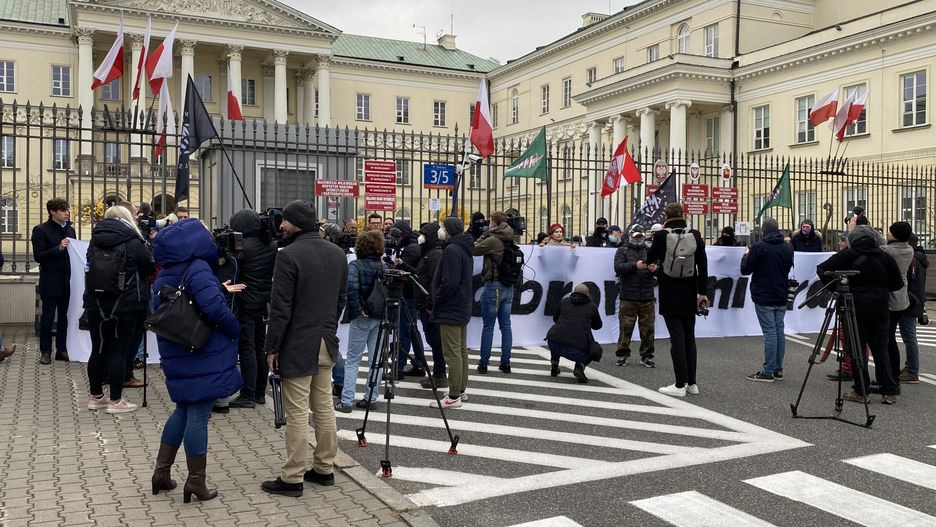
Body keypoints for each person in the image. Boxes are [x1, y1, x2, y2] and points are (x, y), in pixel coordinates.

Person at [149, 218, 242, 503]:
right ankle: (195, 482)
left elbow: (187, 301)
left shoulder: (166, 273)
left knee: (183, 411)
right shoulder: (198, 267)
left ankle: (161, 474)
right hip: (202, 351)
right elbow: (213, 308)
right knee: (199, 415)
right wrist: (234, 328)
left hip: (179, 349)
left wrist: (217, 288)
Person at [262, 200, 347, 497]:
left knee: (298, 412)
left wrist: (272, 347)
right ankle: (324, 468)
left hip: (297, 345)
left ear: (295, 223)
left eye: (284, 221)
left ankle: (292, 477)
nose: (281, 226)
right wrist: (328, 330)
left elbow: (280, 308)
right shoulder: (337, 254)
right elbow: (340, 300)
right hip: (326, 342)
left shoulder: (288, 256)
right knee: (323, 407)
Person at [816, 225, 903, 405]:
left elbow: (822, 269)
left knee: (856, 348)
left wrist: (837, 288)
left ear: (853, 239)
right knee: (881, 348)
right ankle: (889, 390)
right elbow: (897, 284)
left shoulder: (847, 255)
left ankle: (861, 389)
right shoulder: (885, 257)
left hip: (852, 305)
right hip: (880, 307)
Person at [84, 205, 155, 414]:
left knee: (98, 349)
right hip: (126, 303)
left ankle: (96, 396)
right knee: (118, 350)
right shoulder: (134, 241)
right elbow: (150, 267)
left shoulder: (95, 239)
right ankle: (115, 401)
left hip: (95, 302)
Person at [646, 203, 708, 397]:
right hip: (689, 292)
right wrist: (702, 293)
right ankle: (692, 383)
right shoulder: (695, 235)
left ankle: (679, 384)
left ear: (666, 216)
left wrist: (649, 264)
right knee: (690, 337)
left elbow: (650, 258)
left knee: (677, 338)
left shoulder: (661, 236)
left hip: (669, 292)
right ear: (684, 215)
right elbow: (703, 266)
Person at [225, 210, 278, 409]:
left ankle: (247, 393)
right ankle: (259, 393)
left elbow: (232, 270)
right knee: (260, 347)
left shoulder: (241, 248)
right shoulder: (271, 246)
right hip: (264, 301)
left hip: (245, 300)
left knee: (246, 348)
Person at [336, 230, 385, 413]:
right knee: (376, 359)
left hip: (362, 316)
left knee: (353, 359)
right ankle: (370, 398)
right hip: (380, 315)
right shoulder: (383, 266)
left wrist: (358, 309)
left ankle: (347, 400)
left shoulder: (356, 266)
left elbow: (351, 289)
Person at [740, 218, 794, 382]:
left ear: (763, 231)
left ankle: (768, 370)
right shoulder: (787, 247)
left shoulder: (759, 247)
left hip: (764, 293)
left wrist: (745, 256)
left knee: (770, 332)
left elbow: (745, 270)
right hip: (782, 292)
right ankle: (778, 368)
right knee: (779, 330)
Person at [430, 217, 474, 409]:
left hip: (451, 306)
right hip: (461, 304)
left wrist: (437, 299)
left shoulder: (452, 249)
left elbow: (449, 282)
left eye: (443, 227)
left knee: (452, 352)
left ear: (449, 230)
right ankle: (460, 389)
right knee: (460, 350)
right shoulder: (464, 248)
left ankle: (454, 394)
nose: (441, 230)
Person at [32, 197, 76, 365]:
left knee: (64, 317)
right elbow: (38, 256)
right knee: (48, 318)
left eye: (68, 210)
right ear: (52, 212)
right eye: (63, 210)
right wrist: (57, 249)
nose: (67, 213)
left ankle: (62, 350)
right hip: (50, 281)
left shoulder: (71, 230)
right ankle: (45, 351)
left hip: (67, 281)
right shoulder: (41, 230)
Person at [474, 211, 515, 374]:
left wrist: (483, 235)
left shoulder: (492, 239)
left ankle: (484, 362)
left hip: (493, 285)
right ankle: (506, 362)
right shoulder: (510, 237)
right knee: (506, 326)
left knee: (488, 326)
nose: (488, 224)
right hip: (508, 286)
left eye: (490, 222)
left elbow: (473, 249)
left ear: (494, 223)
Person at [614, 225, 657, 368]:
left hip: (647, 295)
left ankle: (647, 356)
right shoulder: (622, 250)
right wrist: (635, 266)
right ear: (630, 235)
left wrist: (655, 269)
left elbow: (660, 268)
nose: (638, 238)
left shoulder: (650, 249)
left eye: (640, 236)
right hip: (628, 295)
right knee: (625, 328)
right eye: (636, 236)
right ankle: (622, 354)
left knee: (648, 329)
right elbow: (618, 268)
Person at [881, 221, 914, 393]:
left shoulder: (888, 251)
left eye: (890, 232)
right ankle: (892, 377)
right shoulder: (908, 249)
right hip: (902, 298)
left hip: (889, 298)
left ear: (895, 235)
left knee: (887, 340)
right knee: (890, 337)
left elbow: (875, 246)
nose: (888, 234)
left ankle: (891, 377)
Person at [546, 283, 602, 383]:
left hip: (553, 343)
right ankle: (579, 367)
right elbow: (598, 326)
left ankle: (554, 366)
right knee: (594, 351)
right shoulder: (592, 306)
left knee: (557, 337)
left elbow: (555, 319)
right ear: (588, 294)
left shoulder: (564, 301)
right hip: (575, 350)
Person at [390, 220, 426, 378]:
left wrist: (398, 265)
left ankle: (399, 368)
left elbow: (408, 272)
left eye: (397, 234)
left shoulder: (411, 248)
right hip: (410, 294)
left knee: (405, 331)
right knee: (412, 330)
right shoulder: (411, 245)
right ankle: (419, 363)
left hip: (408, 295)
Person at [414, 223, 446, 388]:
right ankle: (437, 373)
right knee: (432, 339)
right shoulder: (429, 253)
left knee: (435, 340)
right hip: (426, 305)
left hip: (430, 306)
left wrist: (430, 304)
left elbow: (435, 281)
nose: (421, 238)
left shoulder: (435, 255)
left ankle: (440, 374)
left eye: (424, 234)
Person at [901, 234, 929, 383]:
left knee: (909, 337)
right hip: (916, 300)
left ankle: (912, 371)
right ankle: (910, 367)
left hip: (909, 301)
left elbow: (909, 280)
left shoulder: (913, 259)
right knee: (909, 336)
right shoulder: (921, 257)